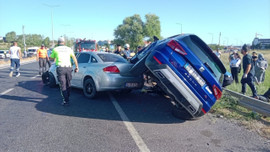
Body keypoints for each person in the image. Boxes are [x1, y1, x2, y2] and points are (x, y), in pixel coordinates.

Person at [50, 37, 79, 106]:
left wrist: (52, 57)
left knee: (63, 85)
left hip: (60, 69)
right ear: (64, 42)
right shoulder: (69, 49)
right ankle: (67, 96)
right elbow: (74, 58)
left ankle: (66, 100)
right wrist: (77, 67)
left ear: (58, 43)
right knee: (68, 83)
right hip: (69, 68)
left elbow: (51, 58)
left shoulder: (55, 49)